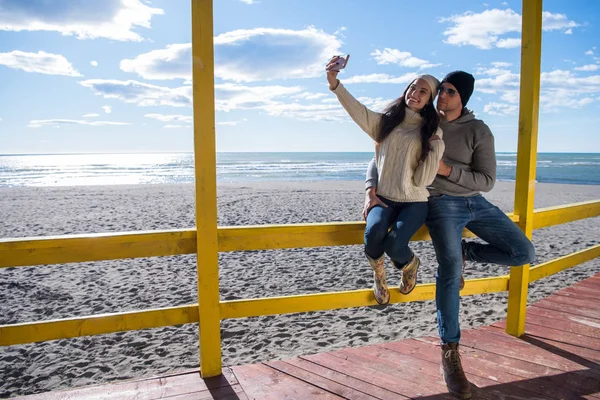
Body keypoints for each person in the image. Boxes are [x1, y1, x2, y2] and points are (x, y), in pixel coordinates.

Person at [365, 71, 535, 399]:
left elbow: (485, 180)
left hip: (476, 203)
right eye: (441, 89)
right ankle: (450, 353)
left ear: (463, 98)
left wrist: (446, 169)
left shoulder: (478, 130)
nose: (442, 95)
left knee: (524, 252)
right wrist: (370, 190)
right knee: (449, 274)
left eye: (451, 91)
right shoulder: (423, 121)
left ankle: (467, 252)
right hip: (440, 203)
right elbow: (381, 156)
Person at [326, 56, 445, 306]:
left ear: (430, 99)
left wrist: (436, 150)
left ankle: (410, 264)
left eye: (423, 91)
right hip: (384, 198)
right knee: (373, 233)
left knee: (394, 244)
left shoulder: (432, 132)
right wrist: (335, 83)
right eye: (413, 87)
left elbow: (423, 179)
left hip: (414, 202)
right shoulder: (385, 123)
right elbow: (358, 112)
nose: (416, 93)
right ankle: (379, 276)